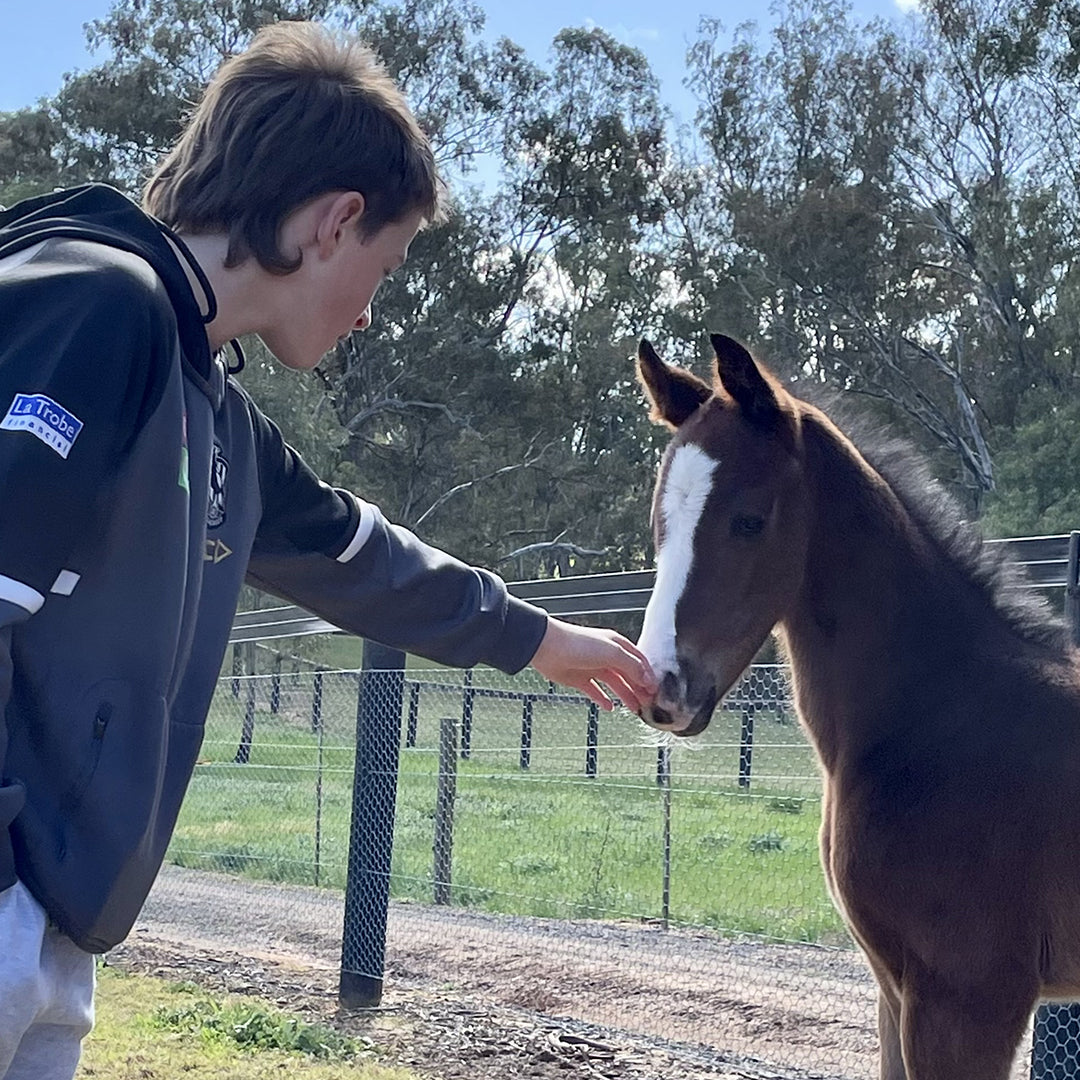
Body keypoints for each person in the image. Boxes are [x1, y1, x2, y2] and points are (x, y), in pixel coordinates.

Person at [0, 21, 655, 1079]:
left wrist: (543, 641)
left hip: (56, 928)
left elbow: (361, 556)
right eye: (384, 267)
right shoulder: (92, 306)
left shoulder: (211, 407)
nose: (367, 315)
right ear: (333, 222)